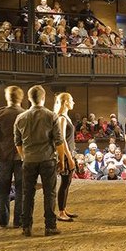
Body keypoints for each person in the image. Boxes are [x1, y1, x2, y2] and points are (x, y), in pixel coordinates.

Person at [15, 85, 71, 237]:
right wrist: (61, 160)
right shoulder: (51, 116)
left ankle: (26, 226)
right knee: (49, 193)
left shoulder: (20, 118)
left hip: (29, 160)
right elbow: (59, 141)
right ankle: (50, 226)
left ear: (29, 98)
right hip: (47, 159)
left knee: (27, 194)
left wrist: (23, 156)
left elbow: (18, 142)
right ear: (44, 97)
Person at [0, 85, 24, 228]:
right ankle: (19, 221)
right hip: (21, 156)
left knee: (2, 189)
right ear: (21, 98)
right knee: (21, 189)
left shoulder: (0, 113)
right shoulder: (25, 113)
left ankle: (3, 220)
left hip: (3, 156)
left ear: (7, 97)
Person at [53, 92, 77, 223]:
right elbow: (62, 139)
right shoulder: (61, 118)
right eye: (71, 100)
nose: (73, 102)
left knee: (67, 183)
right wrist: (69, 157)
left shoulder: (66, 117)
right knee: (64, 183)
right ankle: (61, 212)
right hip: (66, 154)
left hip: (70, 152)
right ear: (66, 102)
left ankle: (64, 208)